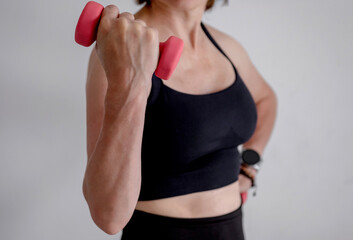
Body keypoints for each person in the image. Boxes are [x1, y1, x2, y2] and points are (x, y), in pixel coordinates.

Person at [82, 0, 277, 239]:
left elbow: (266, 99)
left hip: (231, 229)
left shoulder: (227, 48)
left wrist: (249, 166)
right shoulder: (122, 50)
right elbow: (108, 217)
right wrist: (130, 84)